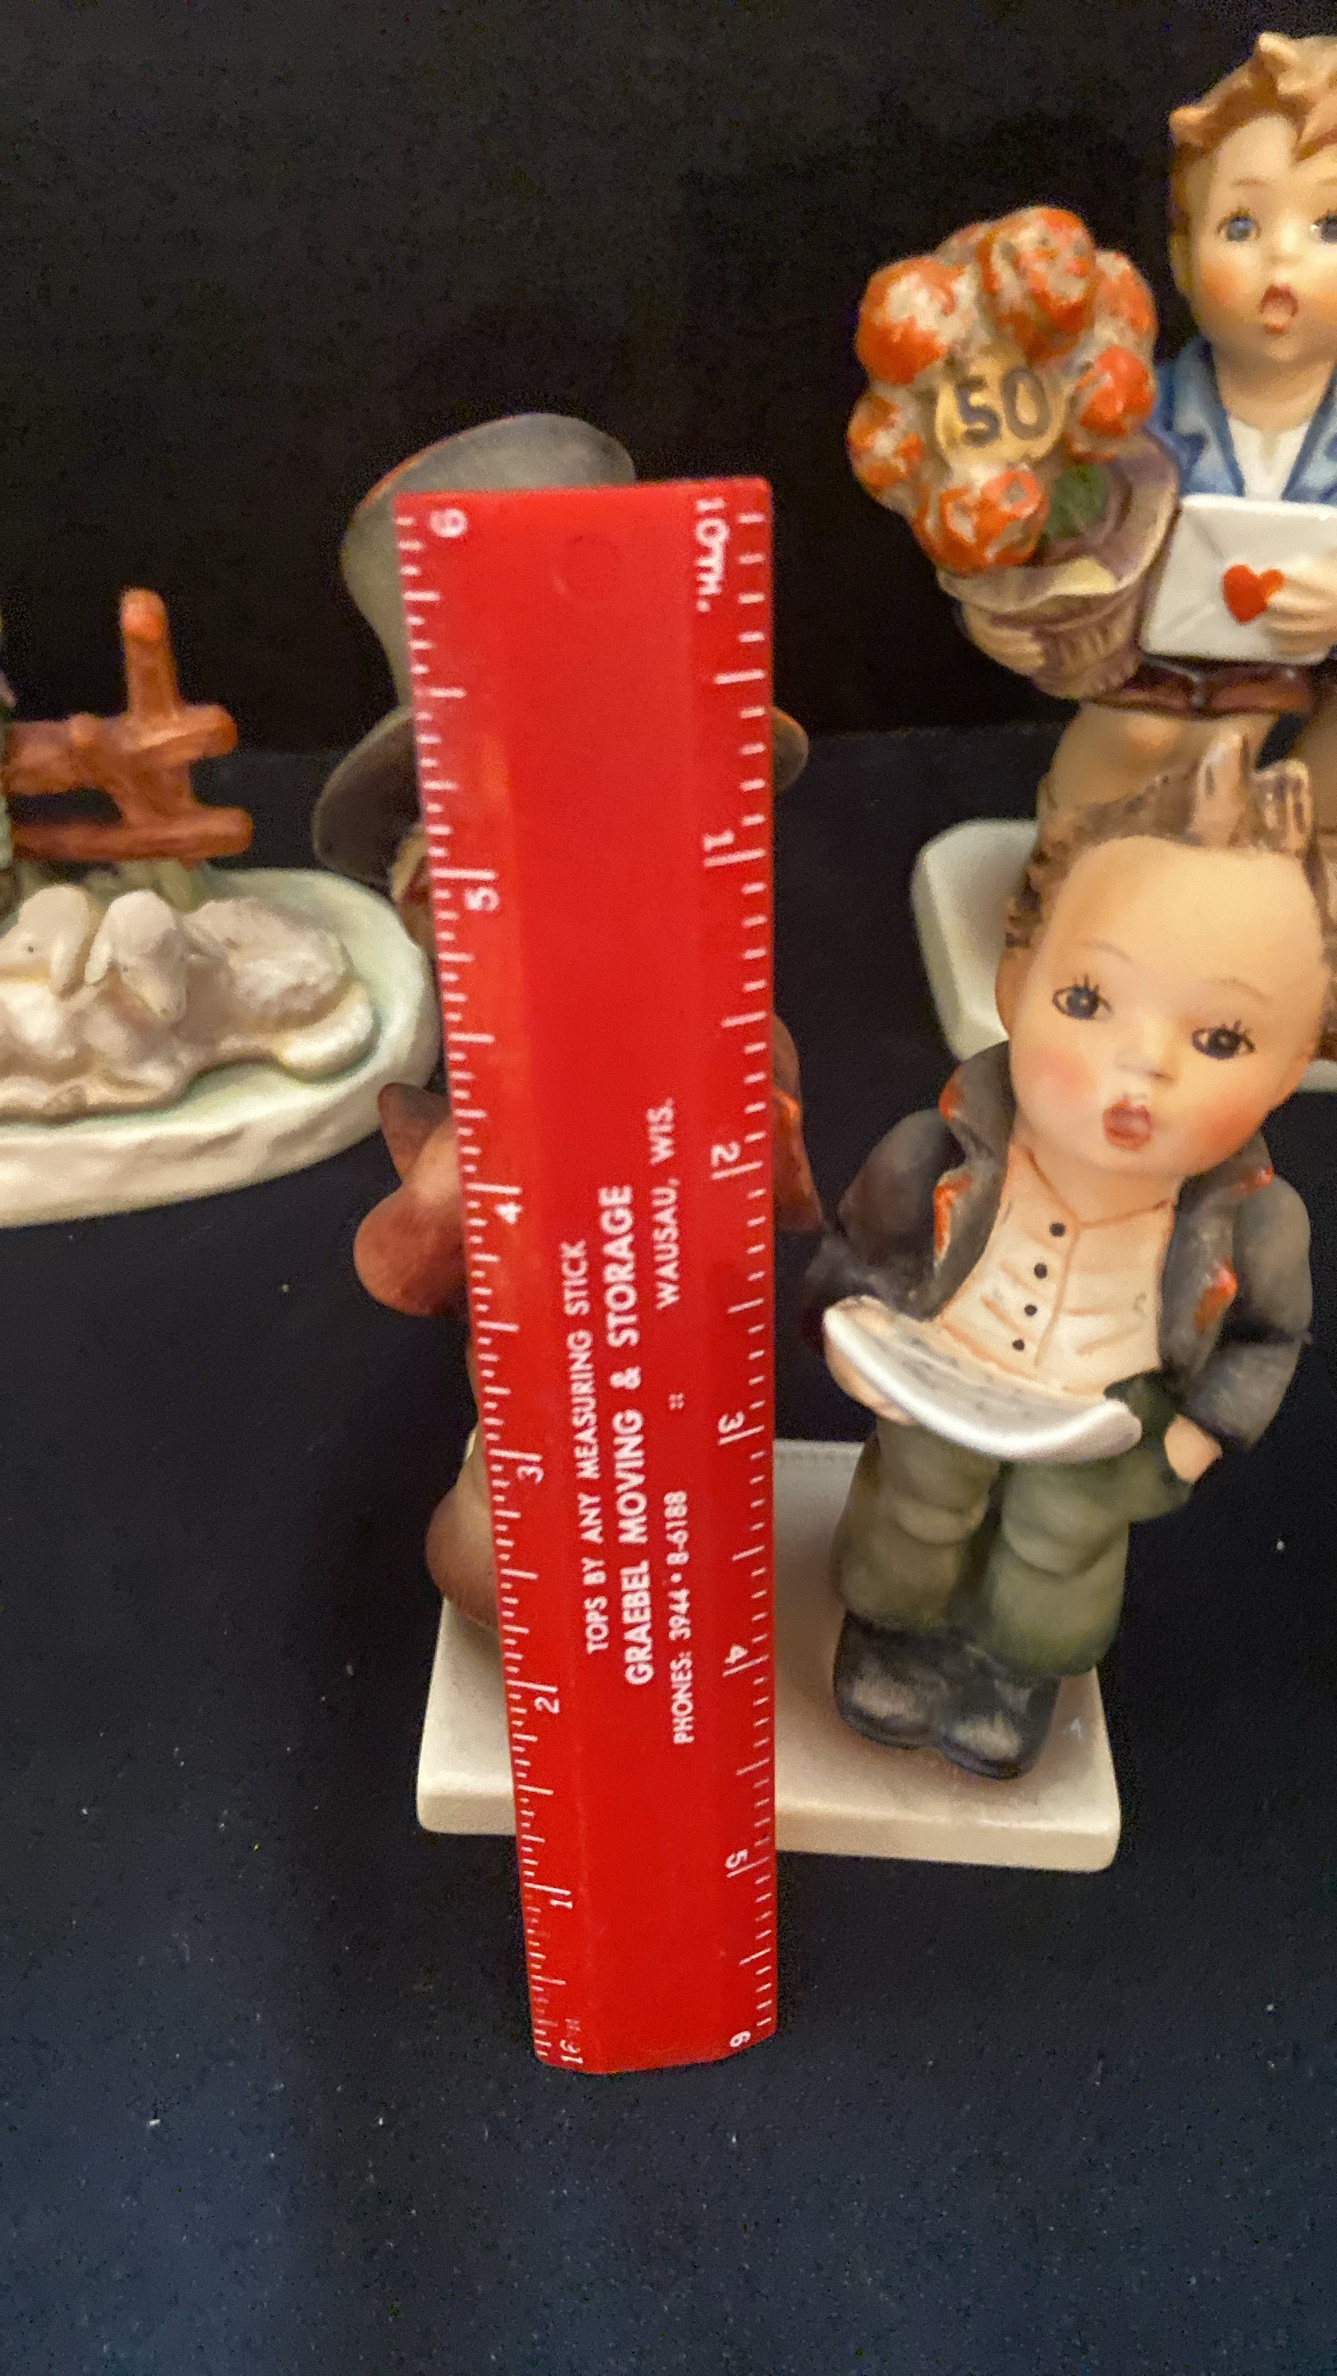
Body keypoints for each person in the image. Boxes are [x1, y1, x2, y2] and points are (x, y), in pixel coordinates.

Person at [804, 729, 1330, 1779]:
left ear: (1293, 1067)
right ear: (1016, 981)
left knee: (1059, 1547)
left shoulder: (1258, 1224)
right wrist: (855, 1334)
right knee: (917, 1505)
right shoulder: (933, 1151)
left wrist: (1195, 1442)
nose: (1140, 1065)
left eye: (1219, 1040)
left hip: (1113, 1411)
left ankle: (1013, 1669)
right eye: (1085, 1002)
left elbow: (1266, 1339)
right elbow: (857, 1247)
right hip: (944, 1364)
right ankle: (893, 1631)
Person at [965, 34, 1337, 835]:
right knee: (1138, 739)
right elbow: (1052, 531)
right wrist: (1013, 612)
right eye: (1240, 226)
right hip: (1146, 667)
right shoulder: (1131, 416)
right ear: (1181, 257)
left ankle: (1285, 862)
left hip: (1289, 675)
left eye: (1329, 226)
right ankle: (1067, 859)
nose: (1281, 258)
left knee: (1256, 750)